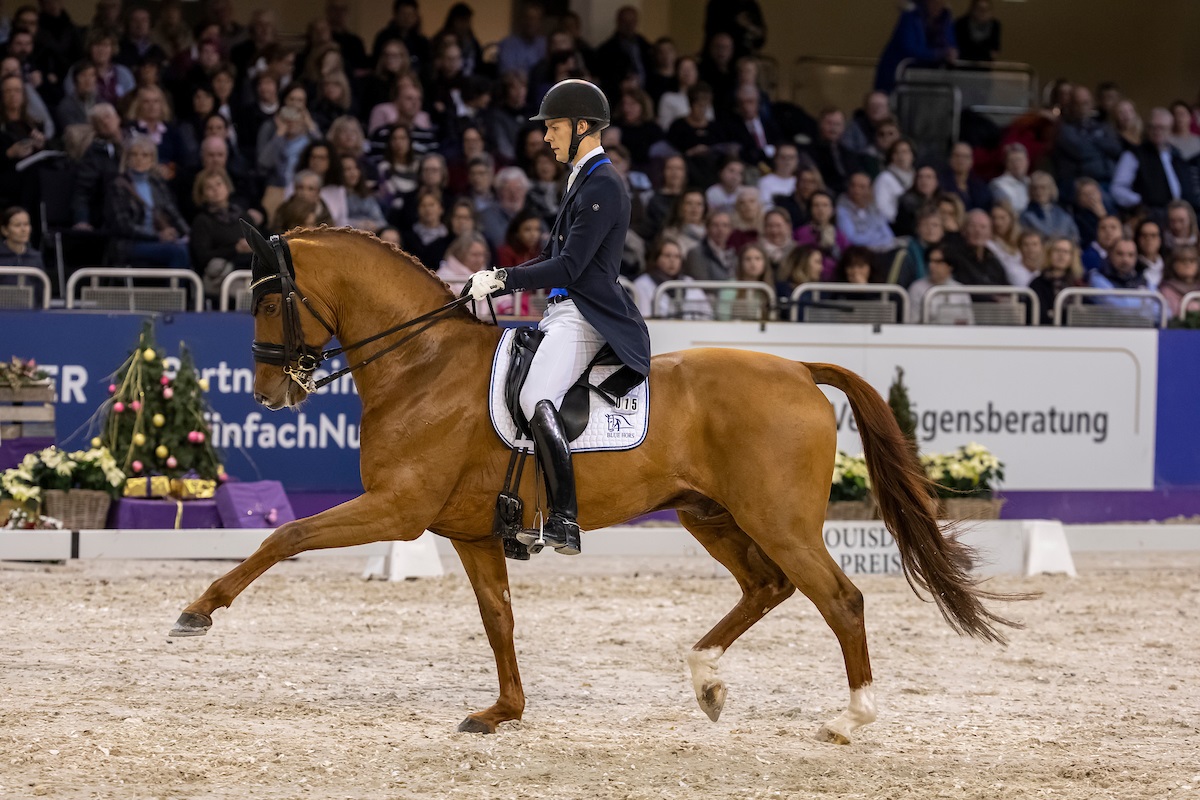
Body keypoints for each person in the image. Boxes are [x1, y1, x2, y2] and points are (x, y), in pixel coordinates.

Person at [463, 78, 651, 557]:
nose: (546, 137)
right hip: (559, 312)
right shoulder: (580, 181)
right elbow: (549, 256)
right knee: (511, 388)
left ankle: (565, 518)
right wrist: (492, 283)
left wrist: (504, 279)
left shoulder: (604, 184)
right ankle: (525, 510)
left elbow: (569, 267)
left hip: (585, 315)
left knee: (534, 395)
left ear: (582, 126)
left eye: (553, 127)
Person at [102, 134, 189, 267]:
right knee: (177, 252)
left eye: (145, 155)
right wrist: (157, 235)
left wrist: (187, 234)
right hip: (130, 243)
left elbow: (173, 213)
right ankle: (174, 288)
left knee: (190, 247)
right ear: (127, 158)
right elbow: (123, 226)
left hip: (160, 239)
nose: (139, 159)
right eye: (134, 154)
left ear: (152, 159)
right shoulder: (118, 186)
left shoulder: (157, 184)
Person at [1112, 108, 1200, 219]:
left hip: (1181, 215)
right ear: (1147, 129)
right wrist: (1141, 202)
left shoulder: (1176, 155)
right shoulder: (1134, 154)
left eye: (1162, 128)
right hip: (1151, 216)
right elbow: (1118, 189)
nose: (1157, 131)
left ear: (1170, 130)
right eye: (1153, 127)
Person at [188, 168, 251, 301]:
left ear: (227, 187)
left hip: (248, 269)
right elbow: (202, 257)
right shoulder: (202, 221)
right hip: (220, 276)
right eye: (209, 187)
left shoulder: (243, 216)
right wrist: (235, 249)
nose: (216, 190)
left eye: (219, 184)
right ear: (202, 194)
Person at [1051, 87, 1122, 202]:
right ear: (1071, 105)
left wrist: (1090, 141)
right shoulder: (1063, 128)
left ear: (1092, 104)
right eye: (1077, 103)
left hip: (1105, 181)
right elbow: (1081, 151)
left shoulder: (1103, 126)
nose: (1082, 107)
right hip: (1076, 183)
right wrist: (1100, 142)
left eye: (1086, 103)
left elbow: (1116, 149)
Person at [874, 0, 957, 93]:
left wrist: (950, 53)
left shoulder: (945, 17)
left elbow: (950, 44)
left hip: (927, 77)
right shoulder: (911, 15)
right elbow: (909, 48)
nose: (938, 5)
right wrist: (938, 54)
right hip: (898, 75)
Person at [632, 236, 712, 319]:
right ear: (656, 258)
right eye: (667, 256)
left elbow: (707, 314)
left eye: (677, 256)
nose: (672, 261)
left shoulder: (689, 282)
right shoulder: (642, 284)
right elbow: (643, 318)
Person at [72, 102, 123, 229]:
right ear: (94, 125)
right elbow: (82, 192)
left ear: (118, 119)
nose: (106, 122)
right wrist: (81, 220)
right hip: (107, 217)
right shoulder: (93, 154)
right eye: (100, 119)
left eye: (108, 117)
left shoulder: (131, 148)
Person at [908, 244, 972, 323]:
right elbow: (912, 322)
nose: (931, 265)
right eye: (930, 261)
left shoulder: (960, 290)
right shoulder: (916, 288)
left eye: (938, 262)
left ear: (950, 266)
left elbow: (969, 322)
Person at [805, 108, 861, 196]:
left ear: (843, 128)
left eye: (837, 124)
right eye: (829, 123)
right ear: (820, 124)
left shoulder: (849, 154)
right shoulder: (809, 151)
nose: (833, 128)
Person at [794, 190, 848, 279]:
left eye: (825, 205)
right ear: (810, 209)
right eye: (816, 205)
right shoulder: (800, 233)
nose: (821, 209)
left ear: (833, 210)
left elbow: (845, 259)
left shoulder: (840, 236)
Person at [1027, 237, 1083, 325]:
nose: (1061, 255)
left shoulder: (1078, 283)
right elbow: (1040, 315)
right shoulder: (1037, 284)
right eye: (1057, 251)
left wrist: (1054, 313)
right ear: (1049, 254)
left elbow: (1083, 315)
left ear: (1072, 257)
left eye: (1066, 252)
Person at [837, 172, 895, 251]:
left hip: (880, 252)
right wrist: (876, 235)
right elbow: (852, 239)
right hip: (857, 254)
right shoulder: (842, 210)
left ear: (870, 190)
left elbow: (889, 236)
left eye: (862, 187)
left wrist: (870, 238)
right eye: (853, 186)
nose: (856, 190)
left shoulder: (874, 208)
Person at [952, 209, 1009, 288]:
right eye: (973, 226)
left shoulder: (993, 260)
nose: (978, 231)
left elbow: (1007, 286)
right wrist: (994, 298)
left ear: (990, 233)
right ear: (964, 230)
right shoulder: (955, 257)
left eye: (983, 227)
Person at [1087, 237, 1150, 308]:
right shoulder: (1097, 277)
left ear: (1136, 257)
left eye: (1130, 255)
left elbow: (1156, 309)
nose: (1125, 259)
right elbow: (1120, 306)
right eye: (1120, 254)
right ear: (1110, 254)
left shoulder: (1144, 278)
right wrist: (1143, 300)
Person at [1020, 171, 1080, 242]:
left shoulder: (1063, 214)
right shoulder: (1025, 216)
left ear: (1051, 189)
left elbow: (1074, 237)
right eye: (1035, 188)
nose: (1038, 192)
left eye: (1043, 188)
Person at [403, 186, 452, 270]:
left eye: (431, 205)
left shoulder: (450, 239)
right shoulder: (408, 237)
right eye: (423, 205)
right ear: (418, 209)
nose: (428, 209)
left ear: (441, 209)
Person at [872, 138, 914, 225]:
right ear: (892, 156)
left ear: (912, 155)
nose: (901, 156)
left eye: (905, 152)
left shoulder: (917, 177)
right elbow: (881, 208)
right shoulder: (884, 179)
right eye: (897, 152)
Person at [684, 208, 735, 280]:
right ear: (707, 228)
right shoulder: (696, 253)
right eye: (715, 225)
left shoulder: (733, 253)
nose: (720, 229)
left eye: (725, 225)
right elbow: (702, 284)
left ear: (731, 230)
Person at [940, 142, 992, 211]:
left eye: (965, 157)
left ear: (971, 161)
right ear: (950, 159)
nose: (961, 160)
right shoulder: (940, 183)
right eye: (957, 156)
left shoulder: (979, 186)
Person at [988, 201, 1028, 286]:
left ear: (1011, 219)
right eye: (994, 218)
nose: (997, 223)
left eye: (1002, 218)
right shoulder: (988, 244)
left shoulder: (1019, 241)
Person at [893, 165, 940, 237]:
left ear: (936, 182)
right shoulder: (907, 203)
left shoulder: (943, 201)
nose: (924, 180)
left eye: (929, 177)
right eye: (920, 177)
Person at [662, 188, 707, 256]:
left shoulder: (711, 234)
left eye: (699, 204)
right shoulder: (670, 235)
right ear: (681, 207)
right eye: (689, 203)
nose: (694, 208)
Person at [1159, 245, 1200, 318]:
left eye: (1192, 260)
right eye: (1183, 260)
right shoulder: (1167, 290)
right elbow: (1174, 315)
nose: (1188, 264)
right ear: (1173, 264)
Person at [989, 143, 1030, 214]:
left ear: (1027, 162)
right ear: (1006, 163)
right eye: (1012, 161)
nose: (1017, 164)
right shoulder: (997, 185)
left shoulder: (1031, 183)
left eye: (1020, 160)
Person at [1134, 218, 1165, 290]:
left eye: (1153, 235)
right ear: (1138, 239)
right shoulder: (1131, 267)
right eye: (1144, 235)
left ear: (1160, 239)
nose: (1148, 239)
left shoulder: (1169, 266)